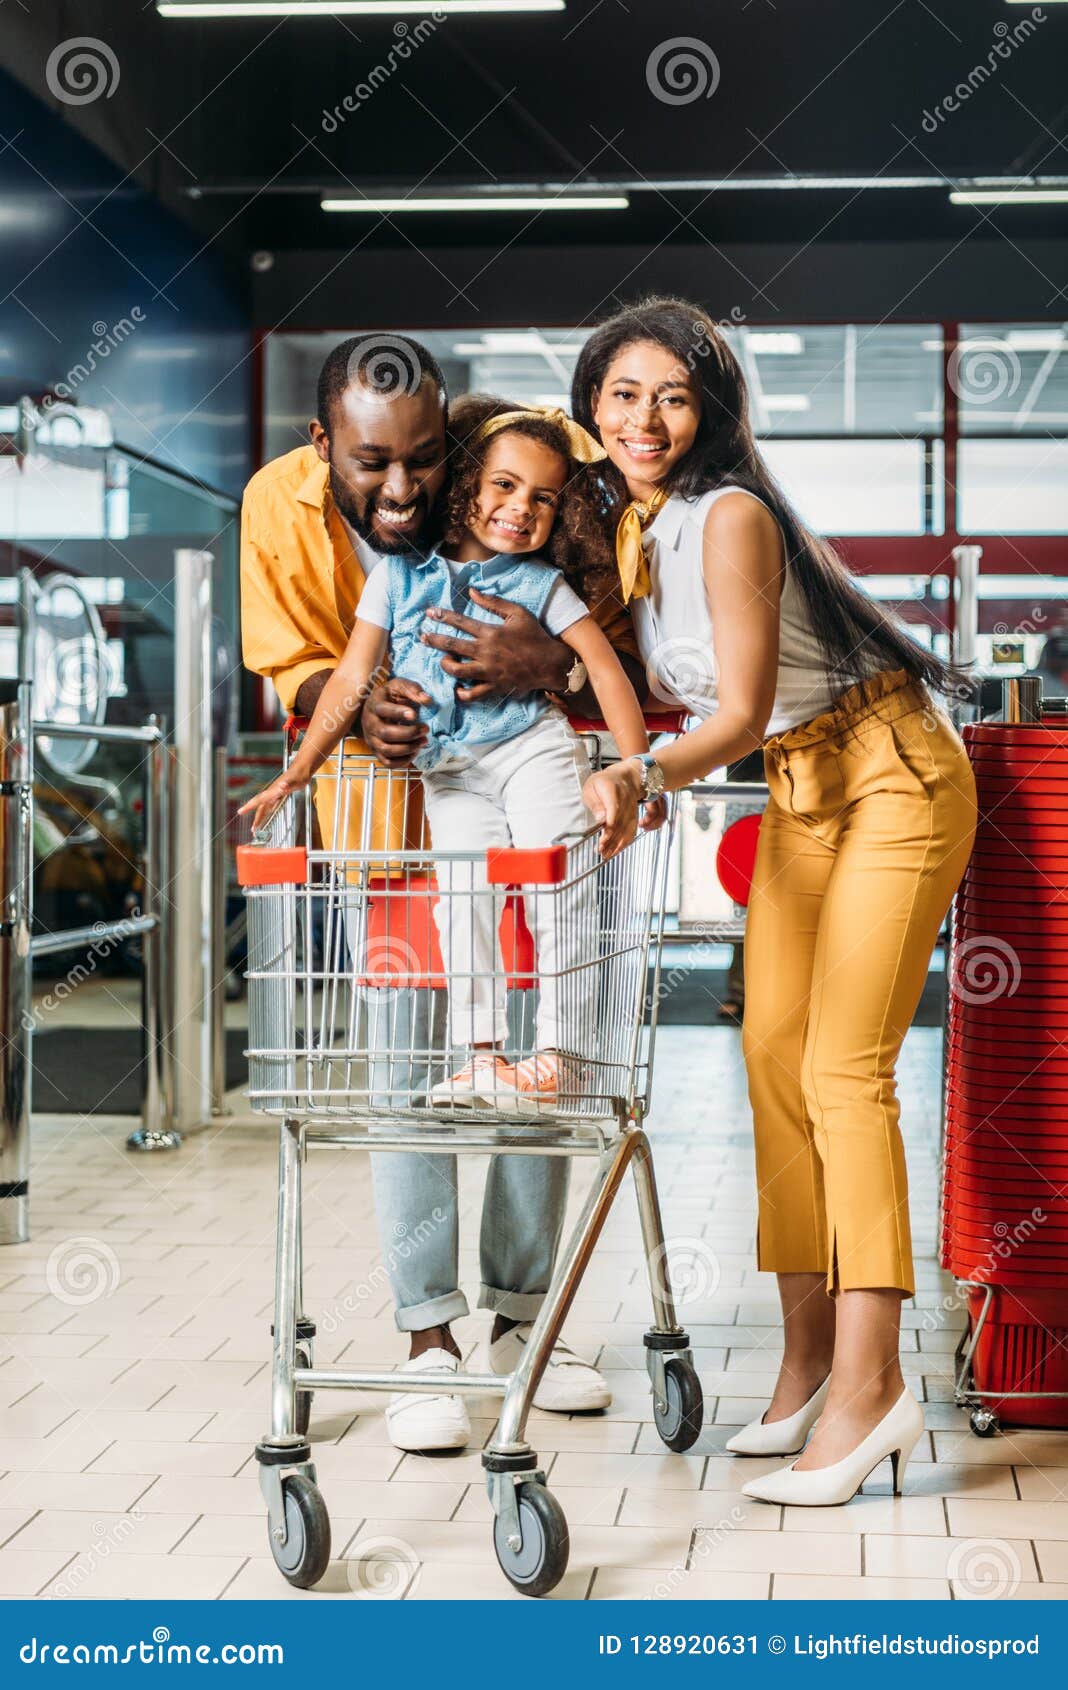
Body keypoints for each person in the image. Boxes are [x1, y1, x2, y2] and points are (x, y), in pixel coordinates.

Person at [574, 297, 977, 1506]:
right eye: (624, 393)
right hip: (807, 785)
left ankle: (872, 1389)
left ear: (712, 413)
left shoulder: (731, 514)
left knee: (845, 1070)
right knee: (771, 1053)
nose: (646, 418)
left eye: (674, 396)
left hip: (895, 772)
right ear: (592, 402)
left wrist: (644, 772)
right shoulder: (637, 529)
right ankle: (807, 1361)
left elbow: (737, 713)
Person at [240, 337, 634, 1451]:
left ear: (450, 449)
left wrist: (542, 662)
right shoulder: (279, 506)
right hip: (380, 828)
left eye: (424, 463)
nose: (401, 490)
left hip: (513, 816)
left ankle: (519, 1325)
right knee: (404, 1072)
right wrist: (349, 702)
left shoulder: (504, 477)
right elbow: (287, 657)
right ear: (328, 450)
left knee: (530, 1058)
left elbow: (610, 629)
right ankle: (428, 1339)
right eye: (373, 467)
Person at [242, 399, 662, 1111]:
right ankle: (482, 1056)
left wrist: (637, 770)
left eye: (543, 499)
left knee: (555, 887)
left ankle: (561, 1055)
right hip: (451, 772)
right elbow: (348, 679)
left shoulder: (540, 586)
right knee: (461, 899)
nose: (521, 508)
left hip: (533, 751)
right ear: (464, 485)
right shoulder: (398, 578)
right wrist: (299, 769)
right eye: (503, 486)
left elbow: (610, 672)